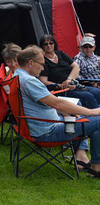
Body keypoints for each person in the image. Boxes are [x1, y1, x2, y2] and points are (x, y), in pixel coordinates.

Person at [15, 46, 100, 176]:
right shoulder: (29, 81)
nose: (43, 68)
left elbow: (52, 104)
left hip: (42, 125)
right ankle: (95, 167)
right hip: (49, 132)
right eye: (42, 64)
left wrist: (66, 111)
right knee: (95, 118)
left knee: (77, 108)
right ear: (31, 63)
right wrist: (93, 111)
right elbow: (57, 103)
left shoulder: (17, 75)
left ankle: (82, 156)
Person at [38, 34, 100, 108]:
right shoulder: (42, 60)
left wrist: (69, 80)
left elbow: (76, 67)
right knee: (87, 96)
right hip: (60, 90)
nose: (49, 46)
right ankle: (95, 115)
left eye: (51, 43)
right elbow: (43, 81)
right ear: (42, 46)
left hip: (74, 84)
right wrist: (61, 86)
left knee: (97, 92)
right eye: (45, 44)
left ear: (54, 44)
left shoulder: (60, 54)